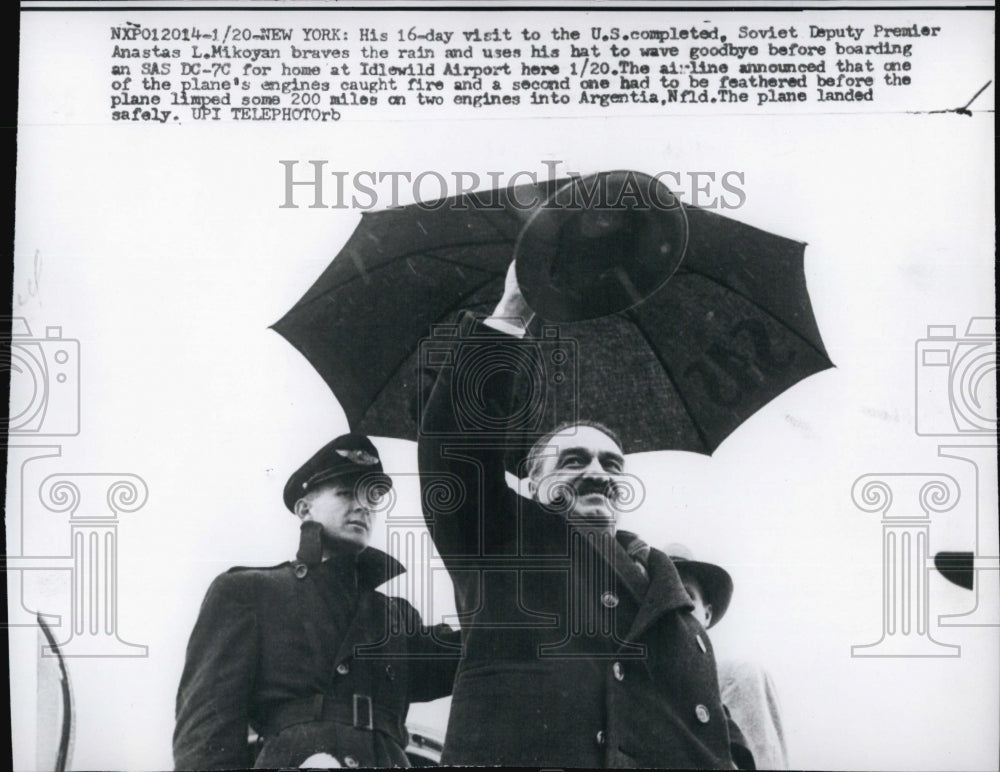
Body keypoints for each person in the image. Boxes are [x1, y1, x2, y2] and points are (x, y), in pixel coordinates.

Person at [417, 263, 752, 768]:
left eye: (611, 464)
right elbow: (456, 453)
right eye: (573, 460)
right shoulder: (503, 539)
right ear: (532, 483)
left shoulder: (679, 610)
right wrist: (513, 310)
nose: (598, 473)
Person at [173, 434, 460, 770]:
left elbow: (482, 651)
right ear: (304, 508)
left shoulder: (394, 616)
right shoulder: (248, 592)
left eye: (372, 496)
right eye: (346, 493)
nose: (362, 505)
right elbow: (206, 735)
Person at [666, 544, 789, 770]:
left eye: (687, 595)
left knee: (746, 674)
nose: (677, 604)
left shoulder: (733, 680)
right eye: (666, 595)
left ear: (707, 614)